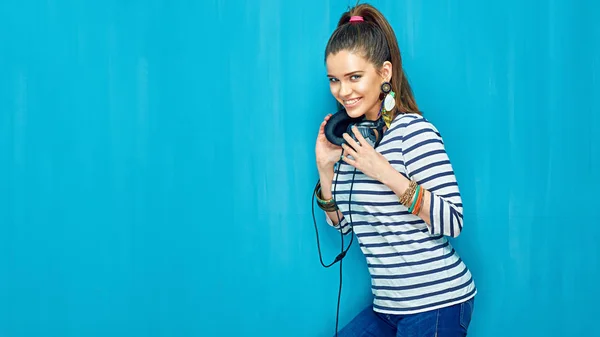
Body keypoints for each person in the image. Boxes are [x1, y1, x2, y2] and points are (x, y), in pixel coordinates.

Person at [314, 3, 477, 336]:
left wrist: (386, 173)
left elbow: (454, 221)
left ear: (384, 73)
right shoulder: (352, 141)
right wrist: (325, 170)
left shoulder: (414, 132)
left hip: (437, 302)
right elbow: (344, 228)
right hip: (388, 307)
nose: (343, 91)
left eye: (354, 77)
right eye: (334, 80)